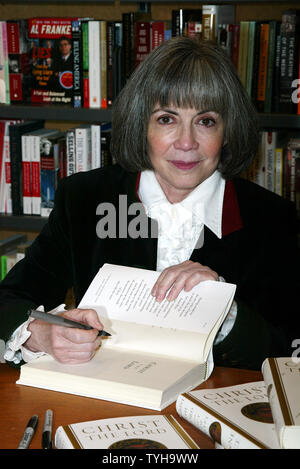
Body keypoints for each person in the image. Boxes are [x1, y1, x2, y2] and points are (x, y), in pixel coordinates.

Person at [0, 37, 299, 370]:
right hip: (102, 407)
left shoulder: (273, 219)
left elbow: (288, 351)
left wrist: (224, 311)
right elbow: (9, 299)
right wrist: (38, 334)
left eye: (206, 121)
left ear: (227, 132)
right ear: (142, 124)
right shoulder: (84, 199)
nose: (186, 143)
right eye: (167, 119)